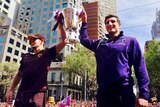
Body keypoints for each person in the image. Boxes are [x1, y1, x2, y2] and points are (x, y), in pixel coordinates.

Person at [79, 11, 150, 107]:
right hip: (103, 94)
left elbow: (140, 67)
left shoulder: (131, 41)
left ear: (119, 24)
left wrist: (144, 95)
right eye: (107, 22)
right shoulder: (99, 44)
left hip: (124, 93)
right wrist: (84, 22)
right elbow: (84, 40)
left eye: (113, 21)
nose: (110, 24)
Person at [6, 17, 67, 107]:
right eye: (31, 40)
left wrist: (59, 24)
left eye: (34, 39)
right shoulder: (25, 56)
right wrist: (11, 90)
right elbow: (19, 75)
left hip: (37, 94)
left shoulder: (47, 53)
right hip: (22, 94)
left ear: (42, 41)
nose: (32, 41)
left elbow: (64, 41)